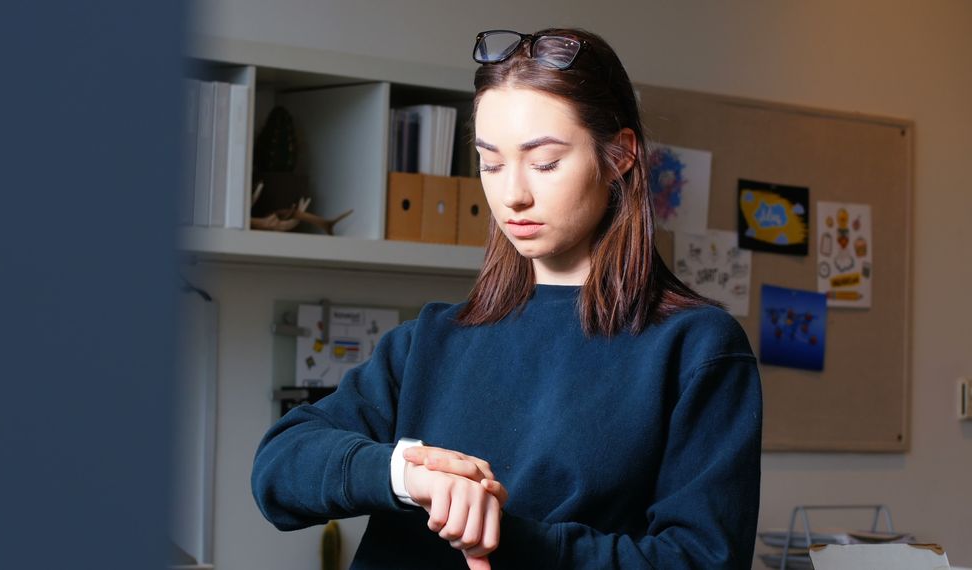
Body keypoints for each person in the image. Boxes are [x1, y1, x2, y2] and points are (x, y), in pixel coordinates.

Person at [252, 27, 762, 569]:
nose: (512, 192)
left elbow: (703, 560)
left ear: (620, 157)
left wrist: (503, 536)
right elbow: (280, 467)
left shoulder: (696, 348)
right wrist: (407, 474)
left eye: (544, 162)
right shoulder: (432, 339)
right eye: (490, 163)